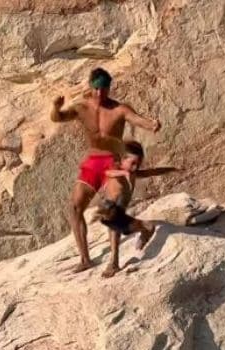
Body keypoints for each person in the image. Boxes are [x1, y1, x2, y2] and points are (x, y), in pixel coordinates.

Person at [51, 67, 161, 272]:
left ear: (109, 88)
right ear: (90, 86)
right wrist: (56, 107)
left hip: (112, 162)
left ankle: (114, 262)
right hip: (93, 162)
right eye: (96, 88)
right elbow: (58, 118)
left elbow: (136, 119)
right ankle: (85, 259)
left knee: (111, 210)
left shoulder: (119, 109)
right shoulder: (81, 107)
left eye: (104, 88)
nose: (100, 92)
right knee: (74, 207)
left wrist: (151, 124)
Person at [94, 141, 178, 277]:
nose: (135, 167)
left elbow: (152, 172)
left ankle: (144, 231)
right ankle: (115, 260)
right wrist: (123, 172)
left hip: (117, 209)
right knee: (114, 227)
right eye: (132, 163)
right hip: (111, 207)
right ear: (122, 160)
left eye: (138, 164)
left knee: (117, 228)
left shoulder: (132, 172)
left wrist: (171, 169)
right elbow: (108, 172)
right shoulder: (117, 170)